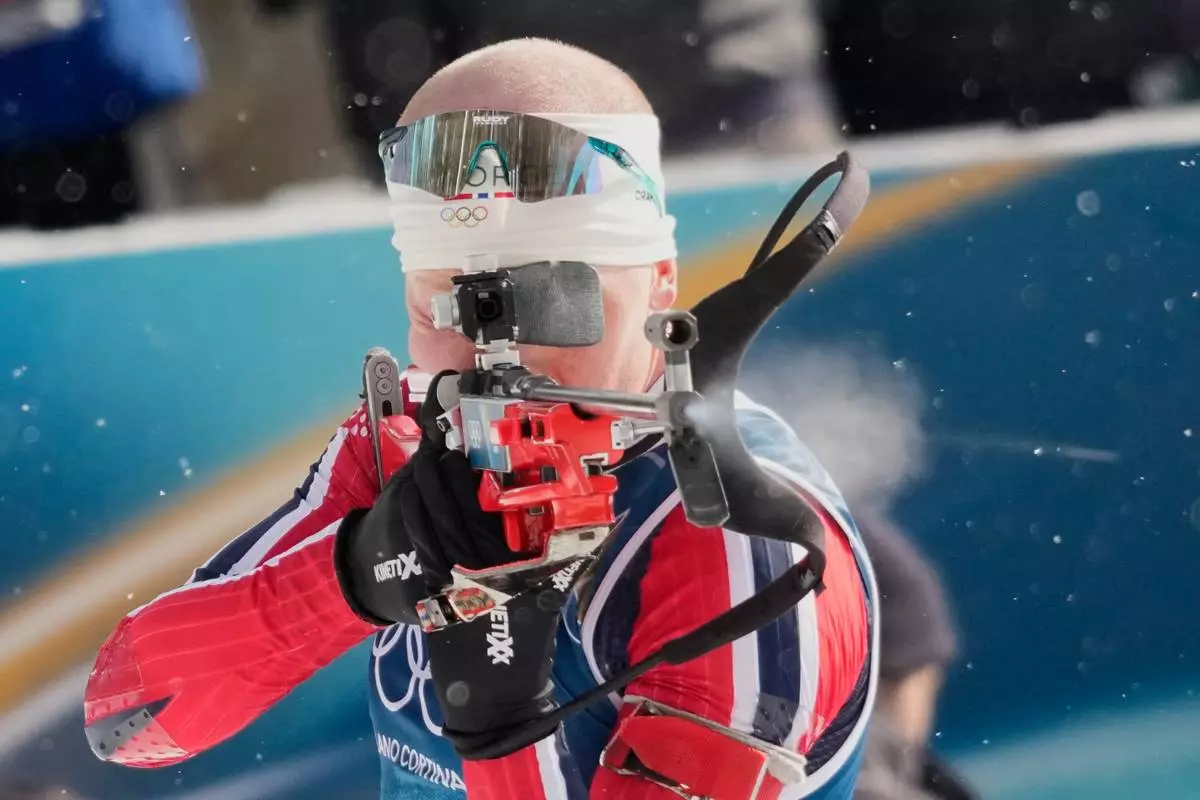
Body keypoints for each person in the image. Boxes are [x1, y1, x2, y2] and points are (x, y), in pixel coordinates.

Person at [83, 39, 877, 799]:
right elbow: (130, 721)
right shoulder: (406, 443)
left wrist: (505, 728)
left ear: (661, 284)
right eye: (442, 302)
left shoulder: (735, 552)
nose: (491, 358)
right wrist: (359, 572)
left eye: (553, 300)